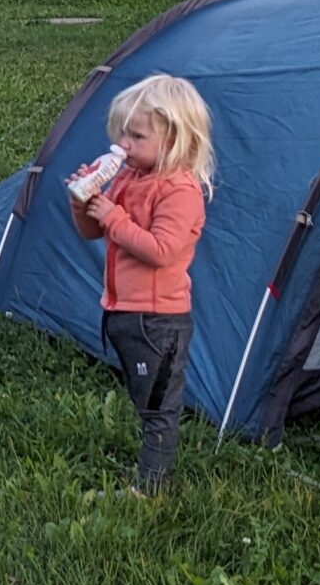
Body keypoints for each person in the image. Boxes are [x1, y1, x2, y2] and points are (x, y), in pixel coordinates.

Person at [68, 73, 214, 493]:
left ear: (173, 140)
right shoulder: (129, 178)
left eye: (136, 136)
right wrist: (84, 202)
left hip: (158, 320)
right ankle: (151, 468)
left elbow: (161, 249)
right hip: (124, 312)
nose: (124, 144)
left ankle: (151, 489)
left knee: (159, 408)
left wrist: (112, 215)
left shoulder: (180, 190)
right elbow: (93, 232)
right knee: (144, 397)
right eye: (122, 133)